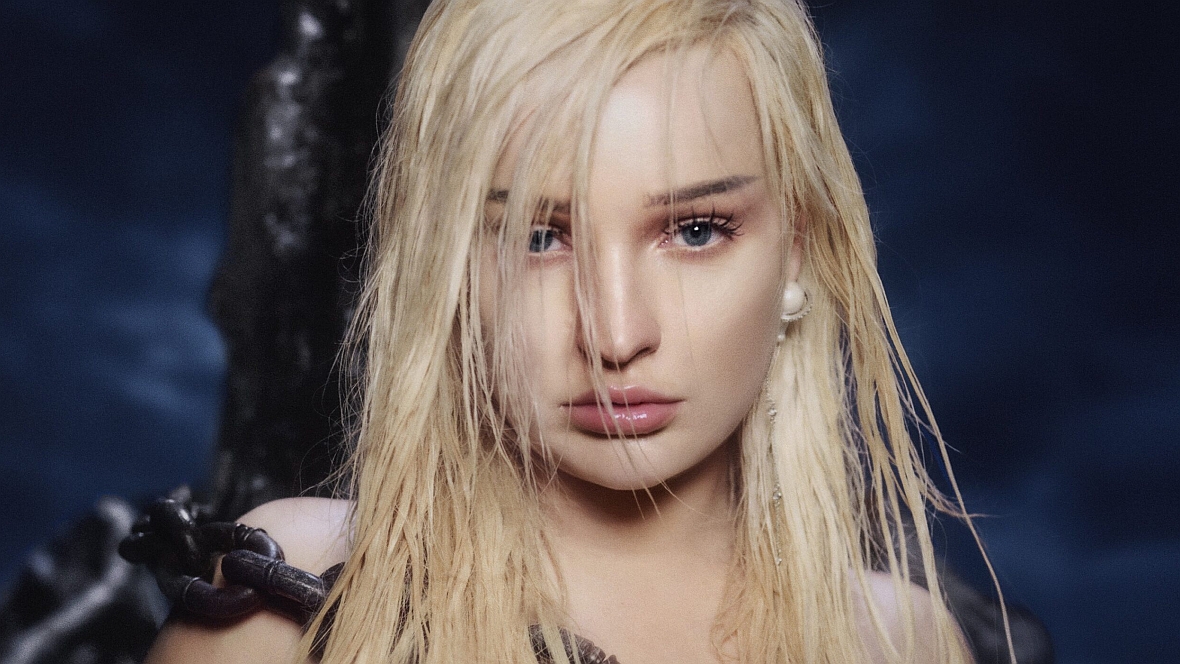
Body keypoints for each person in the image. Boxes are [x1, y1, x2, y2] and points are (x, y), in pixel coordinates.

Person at [147, 0, 1003, 661]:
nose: (617, 335)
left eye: (695, 230)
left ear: (799, 249)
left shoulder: (904, 642)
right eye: (537, 237)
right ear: (443, 265)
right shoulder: (288, 599)